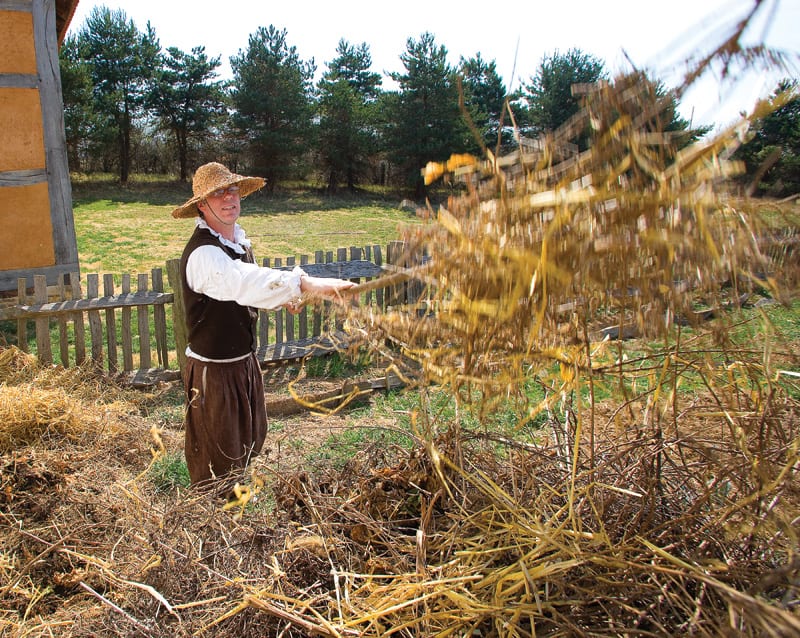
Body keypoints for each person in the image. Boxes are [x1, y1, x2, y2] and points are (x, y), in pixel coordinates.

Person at [171, 161, 355, 490]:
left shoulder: (237, 245)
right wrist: (306, 284)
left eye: (232, 190)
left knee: (248, 439)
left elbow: (241, 293)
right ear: (202, 205)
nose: (229, 198)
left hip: (243, 361)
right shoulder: (203, 255)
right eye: (217, 194)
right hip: (215, 372)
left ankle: (238, 500)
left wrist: (282, 299)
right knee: (218, 456)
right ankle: (214, 521)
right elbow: (240, 282)